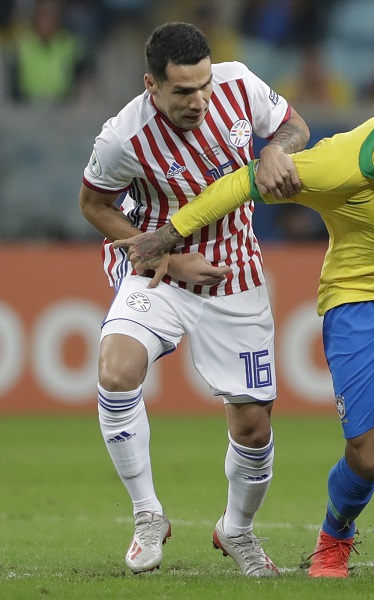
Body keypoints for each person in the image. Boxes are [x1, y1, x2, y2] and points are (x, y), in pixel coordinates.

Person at [114, 52, 374, 579]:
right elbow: (238, 185)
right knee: (370, 455)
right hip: (360, 300)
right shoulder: (342, 163)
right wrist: (167, 235)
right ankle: (335, 535)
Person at [79, 21, 311, 576]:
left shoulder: (240, 84)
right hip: (159, 273)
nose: (199, 100)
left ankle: (237, 530)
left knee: (253, 427)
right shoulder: (122, 137)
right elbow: (94, 204)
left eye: (204, 85)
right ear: (152, 85)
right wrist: (166, 256)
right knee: (116, 370)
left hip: (235, 273)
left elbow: (294, 126)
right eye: (183, 91)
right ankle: (147, 515)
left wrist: (276, 150)